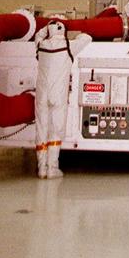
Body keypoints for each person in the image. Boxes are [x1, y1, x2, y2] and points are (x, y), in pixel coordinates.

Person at [33, 19, 91, 179]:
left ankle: (41, 169)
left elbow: (38, 35)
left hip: (42, 95)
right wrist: (76, 32)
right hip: (58, 95)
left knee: (41, 129)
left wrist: (45, 29)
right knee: (56, 130)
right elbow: (87, 38)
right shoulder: (68, 46)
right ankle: (52, 168)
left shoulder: (41, 46)